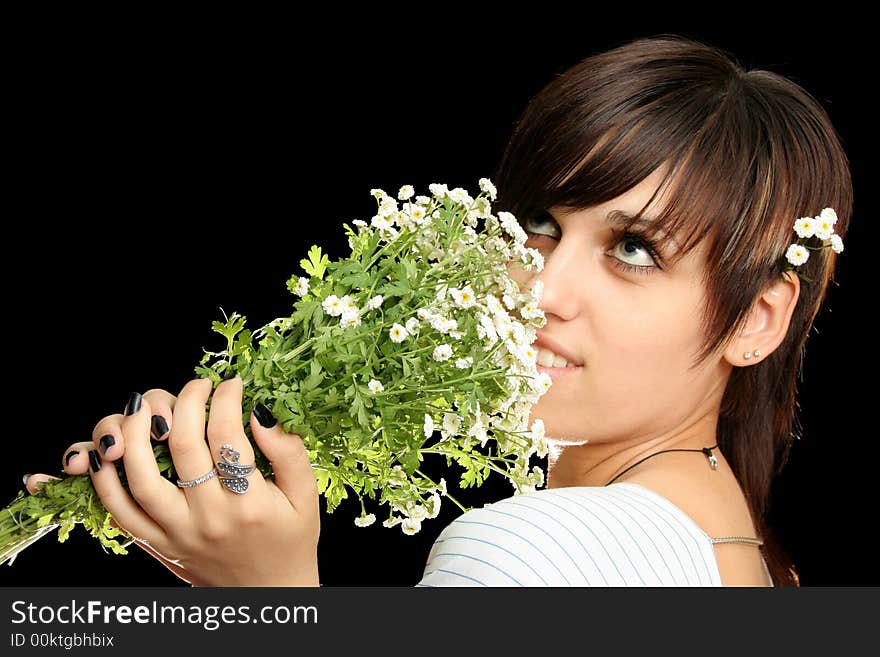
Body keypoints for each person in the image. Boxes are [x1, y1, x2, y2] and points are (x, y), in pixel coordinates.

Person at [23, 34, 852, 587]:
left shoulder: (531, 552)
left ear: (757, 319)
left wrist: (269, 597)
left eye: (634, 249)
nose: (542, 289)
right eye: (540, 225)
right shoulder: (751, 558)